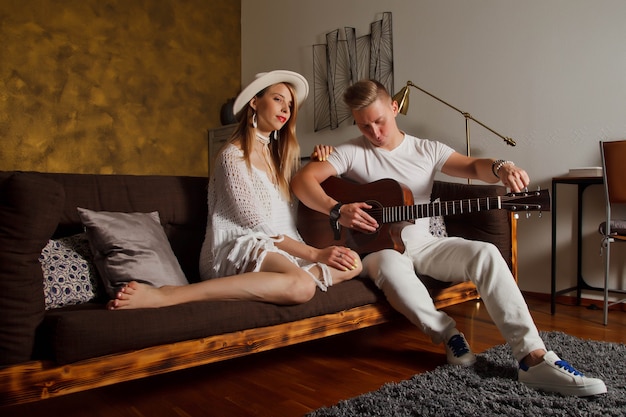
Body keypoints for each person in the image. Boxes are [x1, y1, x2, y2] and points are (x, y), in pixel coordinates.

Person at [290, 79, 607, 397]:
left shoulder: (426, 149)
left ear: (394, 108)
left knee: (485, 253)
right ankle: (448, 333)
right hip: (377, 247)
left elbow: (471, 166)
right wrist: (337, 210)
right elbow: (302, 182)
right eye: (364, 126)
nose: (374, 132)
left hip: (425, 243)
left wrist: (502, 166)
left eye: (379, 121)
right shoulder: (351, 152)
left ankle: (533, 359)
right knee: (388, 265)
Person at [108, 70, 361, 310]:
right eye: (277, 99)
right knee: (302, 287)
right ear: (254, 102)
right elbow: (258, 226)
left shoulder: (281, 160)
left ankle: (279, 282)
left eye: (291, 105)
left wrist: (320, 162)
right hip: (238, 247)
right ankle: (170, 294)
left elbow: (302, 201)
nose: (286, 109)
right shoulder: (232, 157)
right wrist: (316, 254)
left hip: (283, 249)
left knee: (353, 263)